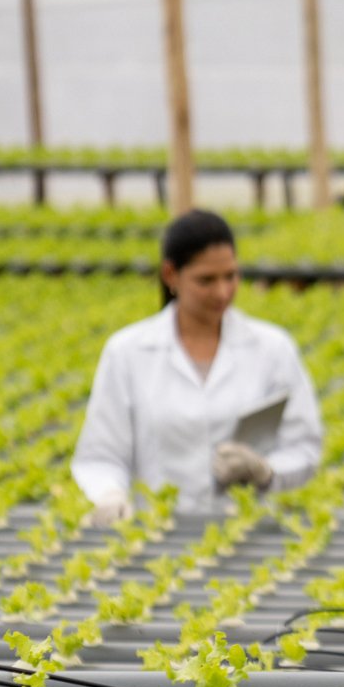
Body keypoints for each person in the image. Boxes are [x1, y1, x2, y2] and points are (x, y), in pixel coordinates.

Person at [72, 210, 323, 523]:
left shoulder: (273, 348)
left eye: (230, 276)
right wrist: (110, 494)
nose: (222, 292)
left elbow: (304, 447)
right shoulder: (127, 352)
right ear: (170, 275)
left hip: (248, 532)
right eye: (206, 280)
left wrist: (267, 471)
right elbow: (101, 455)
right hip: (154, 533)